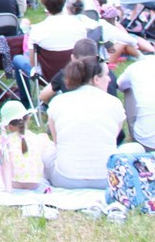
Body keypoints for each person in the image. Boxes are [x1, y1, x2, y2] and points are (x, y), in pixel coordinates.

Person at [44, 56, 126, 188]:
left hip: (65, 180)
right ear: (96, 79)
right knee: (134, 148)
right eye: (107, 74)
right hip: (107, 180)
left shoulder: (58, 102)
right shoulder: (115, 103)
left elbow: (57, 142)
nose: (110, 79)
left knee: (45, 147)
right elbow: (113, 138)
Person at [0, 101, 53, 192]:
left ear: (9, 126)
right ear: (28, 118)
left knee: (2, 151)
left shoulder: (7, 141)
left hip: (15, 183)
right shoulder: (37, 138)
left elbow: (5, 159)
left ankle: (7, 186)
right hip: (34, 184)